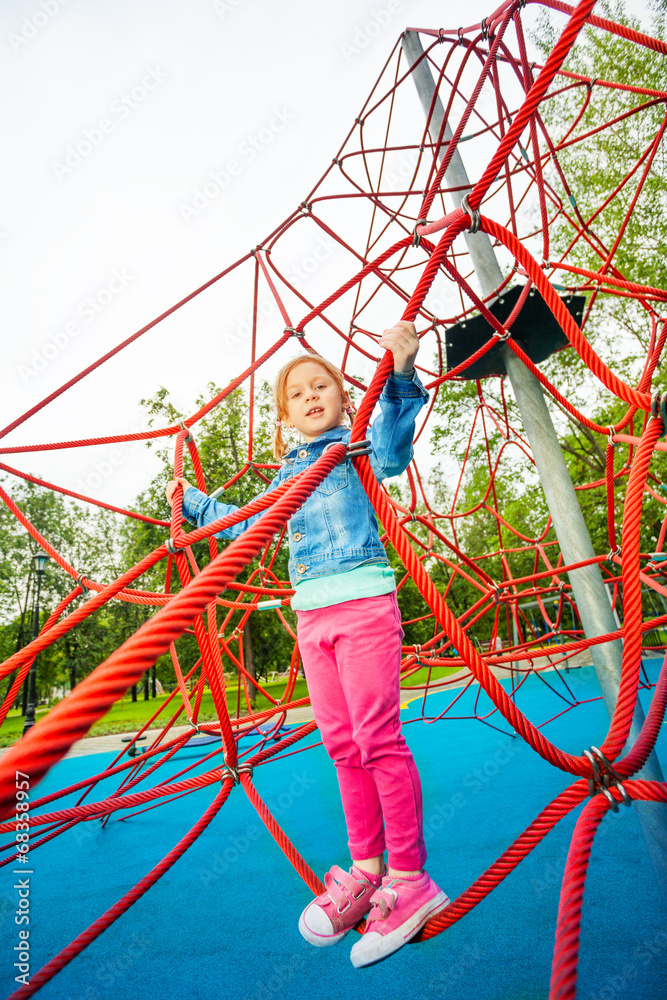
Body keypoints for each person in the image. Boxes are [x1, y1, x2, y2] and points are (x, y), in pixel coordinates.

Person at [165, 321, 449, 968]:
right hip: (312, 616)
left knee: (377, 738)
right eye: (298, 393)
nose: (312, 394)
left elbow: (395, 449)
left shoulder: (354, 449)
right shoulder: (290, 473)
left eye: (323, 385)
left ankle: (411, 880)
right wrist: (191, 503)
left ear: (344, 399)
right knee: (342, 744)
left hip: (363, 603)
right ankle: (365, 869)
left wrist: (401, 372)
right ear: (283, 418)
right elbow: (248, 523)